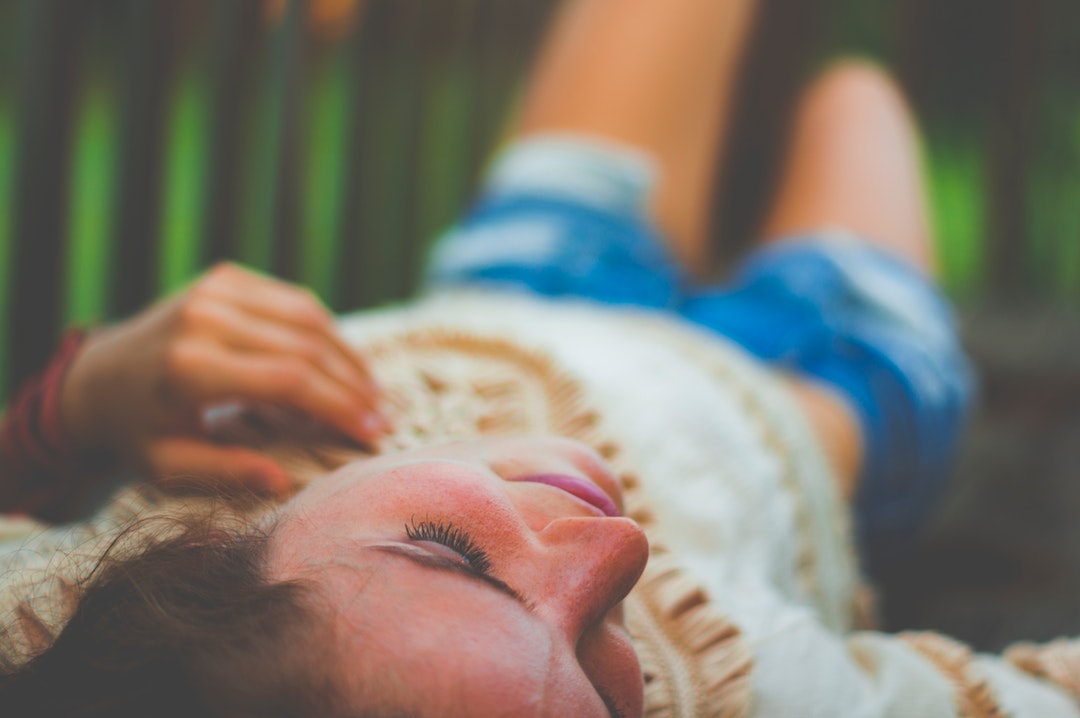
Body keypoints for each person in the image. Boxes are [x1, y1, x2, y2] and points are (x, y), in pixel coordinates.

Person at [0, 0, 1078, 716]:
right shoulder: (748, 691)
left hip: (531, 276)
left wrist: (79, 400)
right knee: (856, 95)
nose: (612, 547)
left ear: (197, 572)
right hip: (833, 381)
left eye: (453, 554)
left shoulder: (51, 609)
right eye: (610, 698)